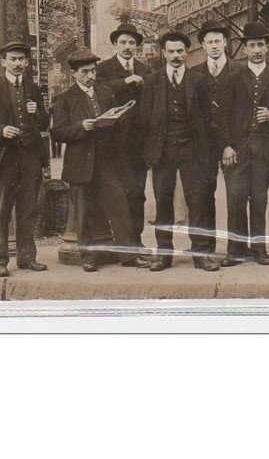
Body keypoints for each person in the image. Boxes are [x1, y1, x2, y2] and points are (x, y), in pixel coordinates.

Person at [50, 49, 144, 272]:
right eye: (85, 72)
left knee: (120, 208)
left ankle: (129, 256)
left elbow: (120, 125)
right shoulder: (65, 99)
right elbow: (58, 133)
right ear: (75, 74)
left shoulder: (105, 92)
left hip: (107, 163)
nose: (91, 76)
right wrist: (81, 127)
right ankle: (89, 257)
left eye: (93, 71)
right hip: (81, 164)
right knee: (84, 213)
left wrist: (114, 120)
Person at [138, 31, 217, 271]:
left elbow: (208, 117)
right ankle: (164, 254)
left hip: (192, 150)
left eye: (180, 51)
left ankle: (201, 253)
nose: (175, 56)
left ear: (186, 52)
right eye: (170, 51)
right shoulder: (152, 81)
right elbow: (144, 117)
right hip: (163, 151)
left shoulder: (198, 80)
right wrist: (149, 150)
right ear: (164, 53)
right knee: (163, 202)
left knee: (198, 202)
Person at [0, 42, 50, 278]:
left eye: (21, 59)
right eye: (13, 59)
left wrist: (38, 113)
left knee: (28, 210)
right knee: (2, 211)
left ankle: (27, 259)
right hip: (3, 160)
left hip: (30, 159)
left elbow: (45, 124)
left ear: (27, 63)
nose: (17, 64)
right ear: (3, 62)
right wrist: (1, 130)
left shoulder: (34, 89)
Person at [220, 22, 269, 266]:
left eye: (260, 45)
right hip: (238, 151)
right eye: (251, 45)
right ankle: (235, 249)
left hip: (264, 152)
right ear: (245, 49)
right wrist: (227, 146)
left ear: (267, 48)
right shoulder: (233, 78)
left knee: (259, 200)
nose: (256, 50)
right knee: (236, 199)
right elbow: (223, 116)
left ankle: (259, 248)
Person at [96, 22, 151, 266]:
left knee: (137, 194)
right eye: (123, 43)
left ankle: (136, 241)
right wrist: (126, 82)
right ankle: (123, 243)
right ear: (115, 45)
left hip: (139, 143)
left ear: (137, 46)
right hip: (113, 143)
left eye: (132, 43)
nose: (128, 47)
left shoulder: (146, 68)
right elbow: (98, 91)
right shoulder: (104, 69)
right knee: (117, 195)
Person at [191, 19, 243, 262]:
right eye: (209, 42)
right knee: (203, 194)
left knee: (235, 194)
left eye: (218, 41)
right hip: (203, 145)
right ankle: (206, 246)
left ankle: (235, 250)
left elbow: (243, 111)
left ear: (225, 43)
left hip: (232, 144)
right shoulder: (194, 74)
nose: (214, 46)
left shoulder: (239, 71)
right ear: (203, 45)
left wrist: (230, 143)